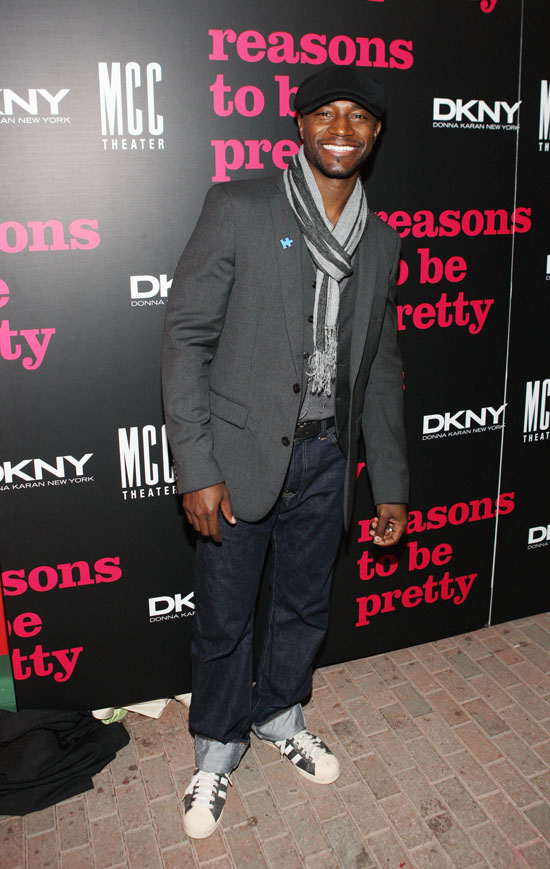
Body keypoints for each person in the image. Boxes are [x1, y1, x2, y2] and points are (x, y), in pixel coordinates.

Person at [162, 66, 409, 839]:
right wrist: (197, 465)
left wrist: (391, 481)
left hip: (328, 461)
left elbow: (380, 368)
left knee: (304, 605)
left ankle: (279, 714)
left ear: (375, 134)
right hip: (238, 462)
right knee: (226, 617)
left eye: (359, 116)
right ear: (298, 125)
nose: (342, 127)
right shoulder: (239, 206)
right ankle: (216, 746)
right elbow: (186, 338)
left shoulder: (382, 238)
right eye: (325, 113)